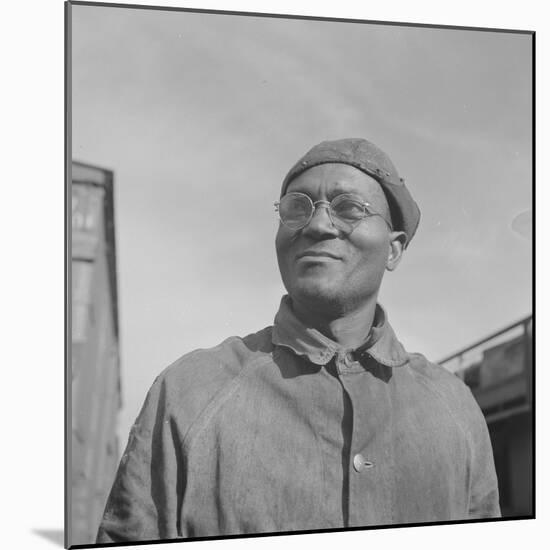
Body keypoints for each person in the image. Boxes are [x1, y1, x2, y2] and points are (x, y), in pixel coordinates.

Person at [96, 138, 500, 543]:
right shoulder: (189, 393)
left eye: (348, 208)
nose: (318, 225)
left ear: (393, 249)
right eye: (297, 208)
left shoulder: (455, 410)